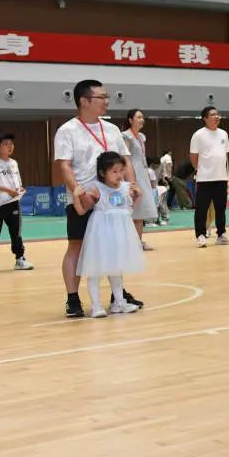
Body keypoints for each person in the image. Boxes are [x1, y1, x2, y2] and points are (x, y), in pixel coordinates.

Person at [53, 80, 143, 317]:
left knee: (115, 248)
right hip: (86, 198)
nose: (106, 101)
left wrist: (131, 186)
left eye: (106, 97)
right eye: (101, 97)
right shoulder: (67, 130)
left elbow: (125, 160)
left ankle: (118, 296)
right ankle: (73, 299)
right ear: (84, 101)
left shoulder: (112, 130)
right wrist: (79, 192)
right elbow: (64, 165)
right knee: (77, 246)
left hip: (113, 200)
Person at [73, 151, 145, 317]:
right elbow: (81, 211)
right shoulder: (96, 189)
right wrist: (77, 196)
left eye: (121, 171)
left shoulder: (126, 187)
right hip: (100, 235)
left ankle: (119, 303)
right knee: (95, 270)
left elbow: (128, 210)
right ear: (102, 173)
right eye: (114, 171)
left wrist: (138, 196)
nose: (119, 175)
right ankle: (96, 306)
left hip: (119, 235)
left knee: (116, 269)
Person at [0, 133, 34, 275]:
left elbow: (17, 184)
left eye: (11, 144)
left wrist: (20, 189)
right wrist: (8, 190)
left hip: (14, 203)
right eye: (5, 144)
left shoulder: (13, 163)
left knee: (16, 232)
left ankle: (20, 259)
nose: (10, 147)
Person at [189, 106, 229, 248]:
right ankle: (201, 235)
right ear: (205, 118)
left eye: (217, 114)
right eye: (213, 114)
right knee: (201, 209)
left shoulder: (223, 134)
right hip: (204, 179)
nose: (217, 117)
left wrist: (227, 178)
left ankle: (221, 235)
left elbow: (225, 156)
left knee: (221, 208)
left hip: (221, 178)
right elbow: (193, 157)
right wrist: (201, 170)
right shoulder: (198, 135)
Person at [121, 109, 158, 251]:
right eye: (138, 117)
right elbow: (125, 159)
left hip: (143, 174)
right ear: (130, 120)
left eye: (142, 117)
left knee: (140, 211)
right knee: (132, 210)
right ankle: (129, 243)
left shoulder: (142, 137)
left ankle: (138, 241)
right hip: (132, 174)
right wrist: (129, 180)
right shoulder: (126, 136)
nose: (142, 119)